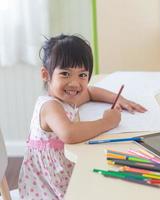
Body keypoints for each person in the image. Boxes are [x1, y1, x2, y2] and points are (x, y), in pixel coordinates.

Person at [18, 34, 147, 200]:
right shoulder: (50, 106)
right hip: (48, 184)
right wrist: (107, 122)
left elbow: (91, 92)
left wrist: (119, 99)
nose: (74, 83)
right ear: (45, 74)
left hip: (63, 170)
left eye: (82, 75)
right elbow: (69, 133)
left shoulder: (66, 96)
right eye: (65, 74)